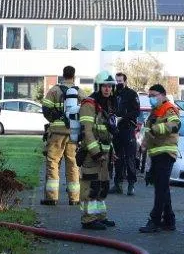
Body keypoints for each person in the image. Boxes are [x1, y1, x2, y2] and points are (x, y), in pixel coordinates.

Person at [78, 71, 118, 230]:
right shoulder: (89, 103)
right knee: (91, 186)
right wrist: (96, 153)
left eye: (110, 86)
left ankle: (100, 216)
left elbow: (107, 131)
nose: (107, 89)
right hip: (91, 154)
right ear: (98, 87)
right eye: (104, 86)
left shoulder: (108, 104)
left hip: (105, 153)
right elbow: (87, 131)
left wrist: (111, 151)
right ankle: (88, 219)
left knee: (103, 186)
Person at [139, 84, 181, 233]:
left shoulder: (168, 108)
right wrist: (144, 144)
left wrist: (157, 129)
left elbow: (175, 124)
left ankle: (155, 220)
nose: (151, 98)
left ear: (163, 95)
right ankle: (169, 220)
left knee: (161, 188)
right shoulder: (155, 111)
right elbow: (148, 130)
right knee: (162, 187)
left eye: (154, 95)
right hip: (156, 153)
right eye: (149, 96)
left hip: (166, 153)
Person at [40, 66, 81, 206]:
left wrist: (54, 120)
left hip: (57, 134)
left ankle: (51, 198)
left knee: (53, 163)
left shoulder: (54, 90)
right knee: (73, 165)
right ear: (74, 76)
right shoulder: (79, 92)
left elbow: (45, 109)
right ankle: (74, 198)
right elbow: (87, 111)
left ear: (62, 76)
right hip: (73, 134)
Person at [110, 72, 140, 196]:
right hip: (116, 130)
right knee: (117, 158)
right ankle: (118, 184)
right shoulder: (113, 94)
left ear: (125, 81)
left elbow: (136, 112)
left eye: (120, 81)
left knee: (130, 158)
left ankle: (131, 185)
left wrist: (123, 117)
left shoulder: (132, 94)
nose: (118, 83)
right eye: (116, 81)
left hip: (127, 129)